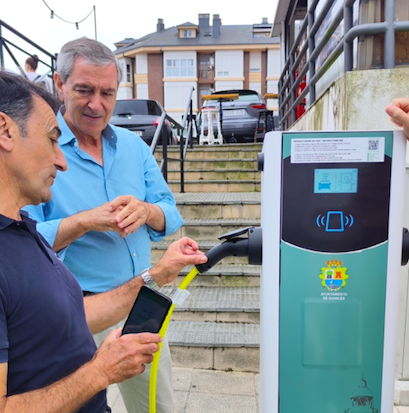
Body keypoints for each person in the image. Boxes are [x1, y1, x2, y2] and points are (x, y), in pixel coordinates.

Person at [0, 71, 207, 413]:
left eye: (108, 92)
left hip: (130, 304)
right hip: (87, 300)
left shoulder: (21, 230)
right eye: (53, 139)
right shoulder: (24, 222)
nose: (61, 161)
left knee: (157, 403)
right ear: (61, 84)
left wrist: (157, 270)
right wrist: (82, 222)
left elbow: (170, 214)